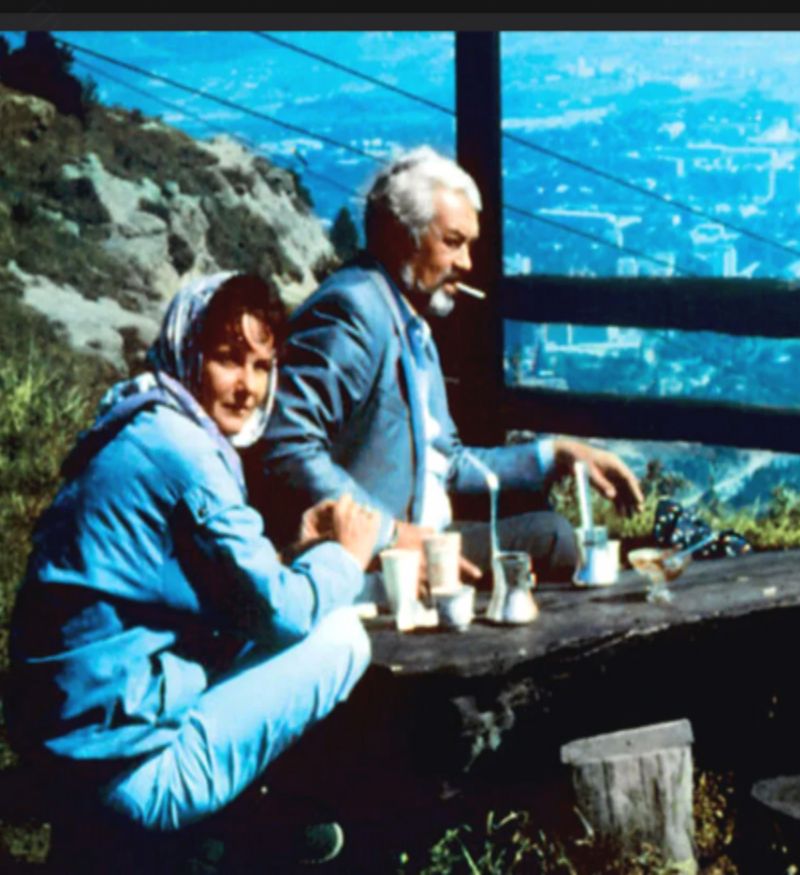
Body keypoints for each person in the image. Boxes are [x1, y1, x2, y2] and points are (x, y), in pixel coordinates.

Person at [7, 273, 380, 863]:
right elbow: (280, 614)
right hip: (124, 774)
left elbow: (217, 593)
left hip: (71, 742)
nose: (248, 388)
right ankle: (241, 825)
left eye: (262, 366)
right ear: (188, 352)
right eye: (228, 359)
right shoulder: (185, 453)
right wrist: (345, 557)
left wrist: (293, 555)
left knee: (265, 636)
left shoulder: (140, 421)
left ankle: (247, 815)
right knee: (342, 636)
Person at [252, 146, 644, 580]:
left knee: (551, 534)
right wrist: (389, 535)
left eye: (469, 245)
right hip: (376, 559)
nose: (467, 263)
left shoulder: (410, 320)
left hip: (422, 538)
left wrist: (555, 456)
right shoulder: (353, 311)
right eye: (453, 243)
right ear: (400, 236)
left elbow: (448, 463)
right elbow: (286, 446)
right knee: (555, 542)